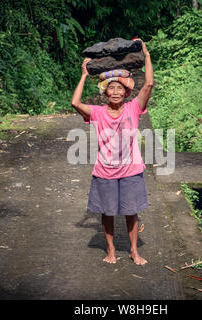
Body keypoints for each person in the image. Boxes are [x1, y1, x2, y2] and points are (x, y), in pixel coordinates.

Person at [71, 39, 153, 266]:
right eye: (111, 88)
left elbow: (148, 85)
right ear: (105, 92)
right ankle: (110, 249)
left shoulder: (133, 108)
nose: (115, 92)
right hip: (104, 170)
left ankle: (134, 251)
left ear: (126, 92)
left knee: (131, 211)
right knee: (107, 212)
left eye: (120, 88)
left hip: (131, 169)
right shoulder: (97, 112)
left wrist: (146, 56)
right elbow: (75, 102)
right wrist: (84, 75)